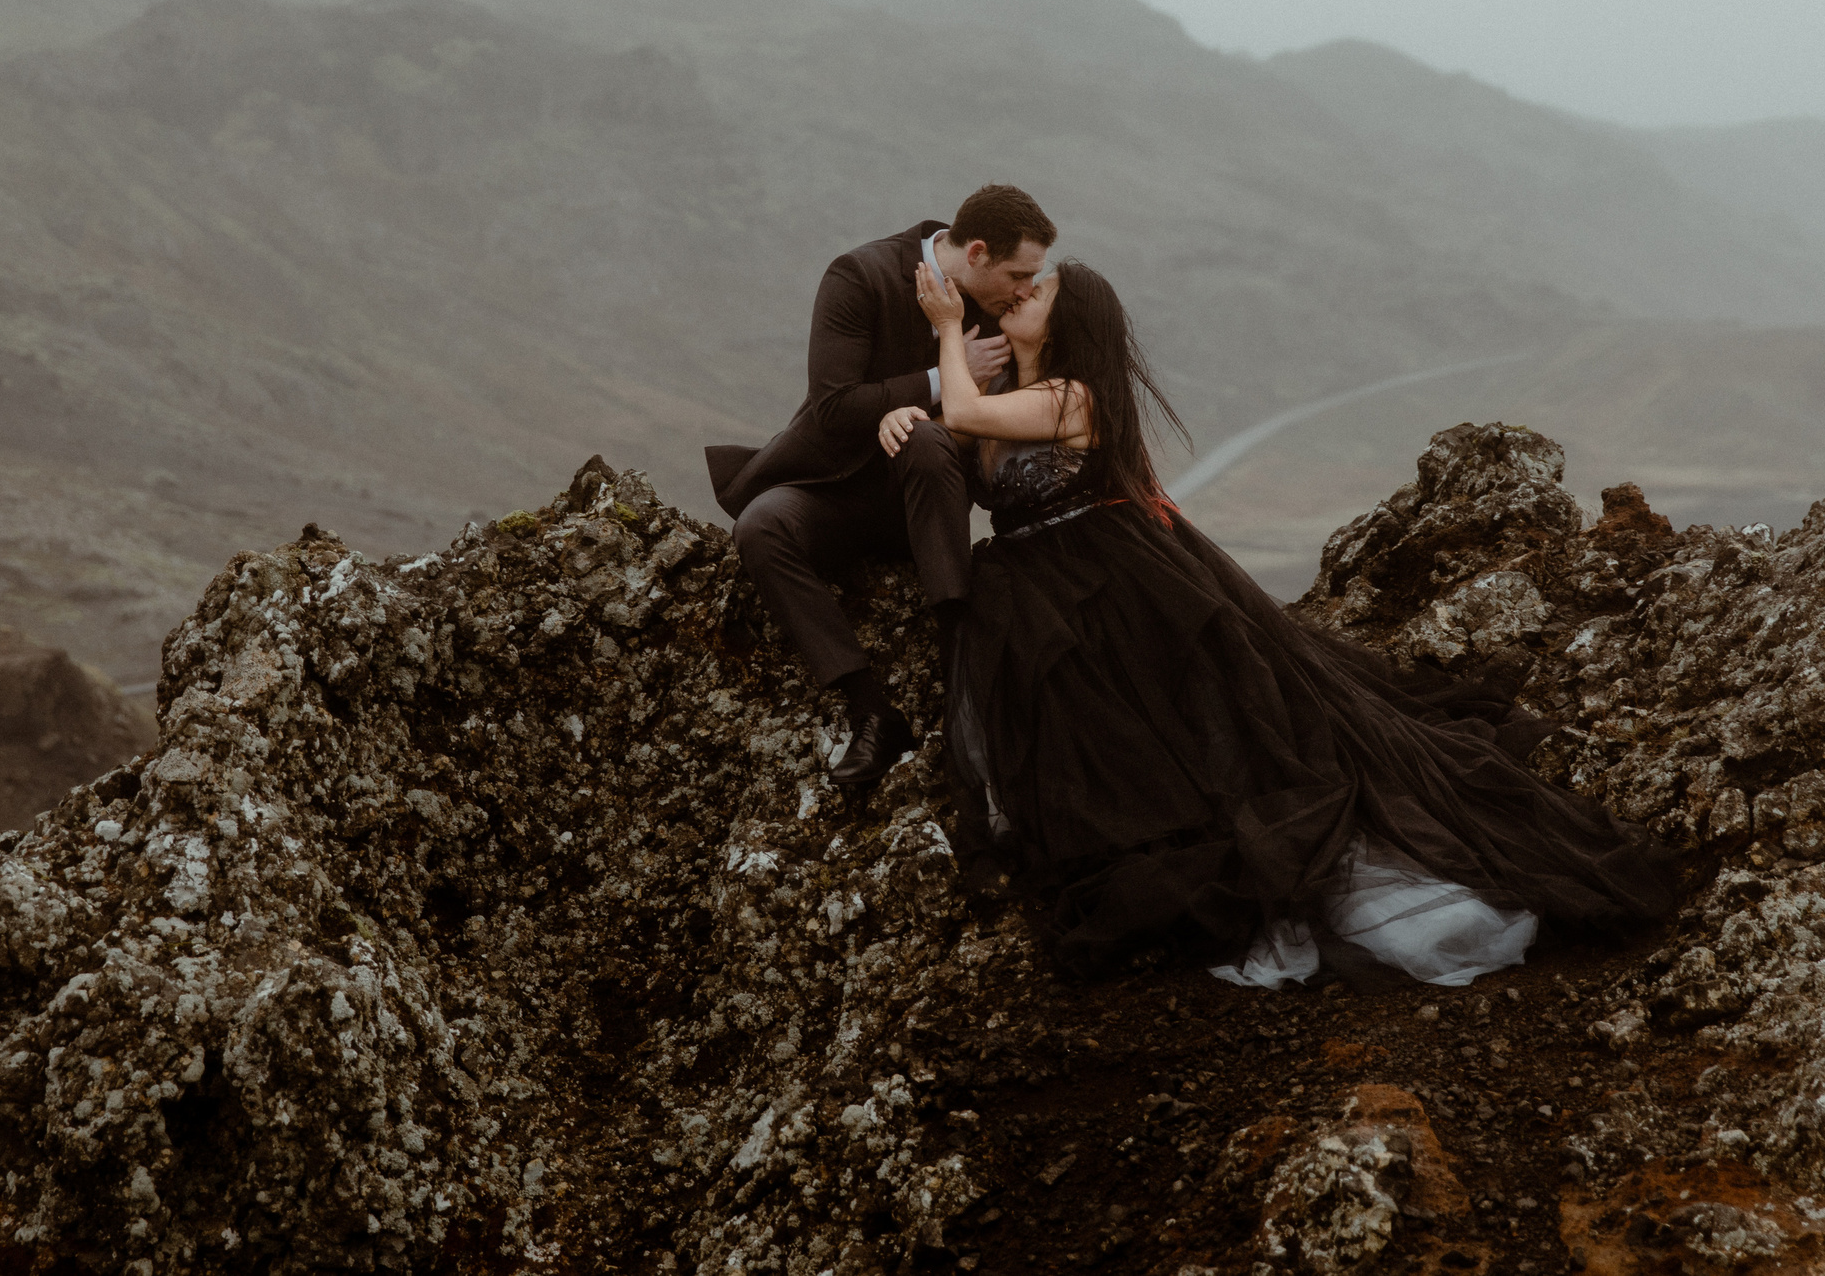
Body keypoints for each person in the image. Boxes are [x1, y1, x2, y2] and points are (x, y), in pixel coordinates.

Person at [880, 257, 1677, 988]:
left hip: (1108, 581)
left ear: (1071, 322)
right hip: (1048, 592)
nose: (1019, 294)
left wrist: (950, 328)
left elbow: (961, 408)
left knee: (1201, 738)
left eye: (1038, 291)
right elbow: (958, 424)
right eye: (1019, 288)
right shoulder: (1018, 399)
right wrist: (899, 419)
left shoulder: (1073, 396)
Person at [708, 185, 1056, 791]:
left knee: (924, 441)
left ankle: (961, 684)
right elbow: (833, 407)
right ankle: (870, 710)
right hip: (831, 490)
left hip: (925, 501)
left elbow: (1005, 420)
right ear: (976, 252)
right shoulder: (860, 275)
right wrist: (933, 382)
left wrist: (928, 417)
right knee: (760, 526)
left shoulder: (1003, 313)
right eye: (1019, 274)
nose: (1026, 290)